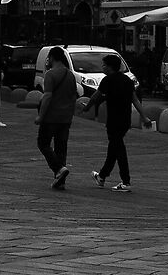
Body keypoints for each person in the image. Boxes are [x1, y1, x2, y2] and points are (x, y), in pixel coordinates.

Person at [88, 51, 137, 191]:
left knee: (118, 150)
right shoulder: (127, 80)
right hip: (125, 120)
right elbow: (134, 99)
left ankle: (125, 181)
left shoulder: (108, 80)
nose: (102, 67)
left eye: (103, 65)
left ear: (109, 67)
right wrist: (144, 116)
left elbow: (95, 97)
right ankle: (102, 176)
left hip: (114, 120)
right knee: (114, 148)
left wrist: (86, 108)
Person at [35, 46, 78, 191]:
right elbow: (74, 97)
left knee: (43, 143)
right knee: (61, 147)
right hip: (65, 118)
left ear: (52, 57)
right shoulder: (70, 75)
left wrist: (41, 115)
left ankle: (59, 169)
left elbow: (47, 96)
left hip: (51, 117)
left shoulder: (50, 74)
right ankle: (61, 180)